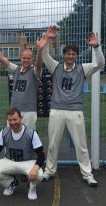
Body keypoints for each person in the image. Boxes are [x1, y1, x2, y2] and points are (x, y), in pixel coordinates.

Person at [37, 26, 105, 186]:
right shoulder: (56, 67)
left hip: (75, 112)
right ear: (64, 55)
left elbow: (100, 63)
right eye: (68, 53)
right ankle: (49, 171)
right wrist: (47, 38)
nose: (70, 56)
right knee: (53, 143)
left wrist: (96, 47)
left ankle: (87, 174)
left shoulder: (83, 69)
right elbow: (45, 55)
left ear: (76, 56)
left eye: (73, 54)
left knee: (81, 145)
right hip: (56, 111)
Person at [0, 32, 44, 130]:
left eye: (28, 58)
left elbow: (38, 64)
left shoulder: (35, 72)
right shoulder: (16, 70)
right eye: (24, 58)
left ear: (32, 59)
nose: (26, 60)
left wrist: (40, 49)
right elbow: (2, 59)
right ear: (20, 58)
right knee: (11, 137)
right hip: (14, 111)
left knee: (28, 138)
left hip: (29, 111)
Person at [0, 107, 45, 200]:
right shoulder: (4, 132)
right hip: (10, 160)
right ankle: (12, 183)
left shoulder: (31, 133)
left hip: (28, 161)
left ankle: (32, 188)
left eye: (15, 119)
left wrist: (35, 168)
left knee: (39, 175)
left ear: (21, 119)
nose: (12, 122)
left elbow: (41, 155)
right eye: (10, 120)